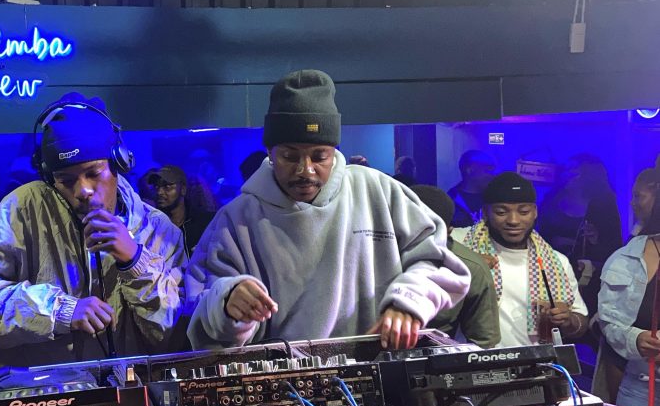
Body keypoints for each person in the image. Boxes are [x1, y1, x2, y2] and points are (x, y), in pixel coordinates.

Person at [187, 70, 470, 351]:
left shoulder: (377, 191)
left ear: (334, 151)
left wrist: (409, 301)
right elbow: (198, 301)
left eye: (319, 156)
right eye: (289, 156)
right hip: (285, 374)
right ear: (270, 152)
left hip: (381, 365)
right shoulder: (237, 219)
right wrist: (227, 301)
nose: (305, 170)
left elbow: (436, 258)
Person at [0, 93, 187, 372]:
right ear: (50, 179)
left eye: (93, 173)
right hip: (33, 394)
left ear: (119, 163)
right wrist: (57, 310)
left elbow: (172, 335)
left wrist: (134, 261)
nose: (83, 190)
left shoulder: (159, 229)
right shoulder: (25, 207)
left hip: (122, 392)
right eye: (66, 180)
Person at [452, 172, 589, 348]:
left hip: (535, 361)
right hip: (472, 359)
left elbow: (580, 324)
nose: (513, 220)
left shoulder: (557, 261)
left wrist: (567, 320)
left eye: (523, 212)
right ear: (485, 212)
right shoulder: (459, 243)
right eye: (501, 212)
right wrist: (466, 264)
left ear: (535, 212)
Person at [598, 167, 660, 406]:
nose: (633, 203)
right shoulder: (625, 257)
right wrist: (636, 338)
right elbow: (608, 322)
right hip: (641, 384)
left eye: (639, 196)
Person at [411, 185, 500, 348]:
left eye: (430, 232)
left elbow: (483, 344)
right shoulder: (369, 255)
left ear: (448, 232)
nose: (418, 240)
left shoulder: (470, 267)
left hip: (435, 358)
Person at [539, 154, 622, 318]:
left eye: (574, 170)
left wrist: (595, 241)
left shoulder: (603, 205)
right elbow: (539, 234)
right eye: (567, 169)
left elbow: (614, 249)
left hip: (587, 279)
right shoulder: (552, 199)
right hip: (552, 272)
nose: (567, 174)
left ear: (589, 175)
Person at [148, 165, 215, 258]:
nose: (159, 192)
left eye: (167, 186)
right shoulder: (150, 226)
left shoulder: (206, 222)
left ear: (183, 189)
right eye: (156, 187)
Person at [448, 150, 497, 228]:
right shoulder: (450, 200)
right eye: (487, 170)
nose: (493, 174)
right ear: (470, 170)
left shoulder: (496, 197)